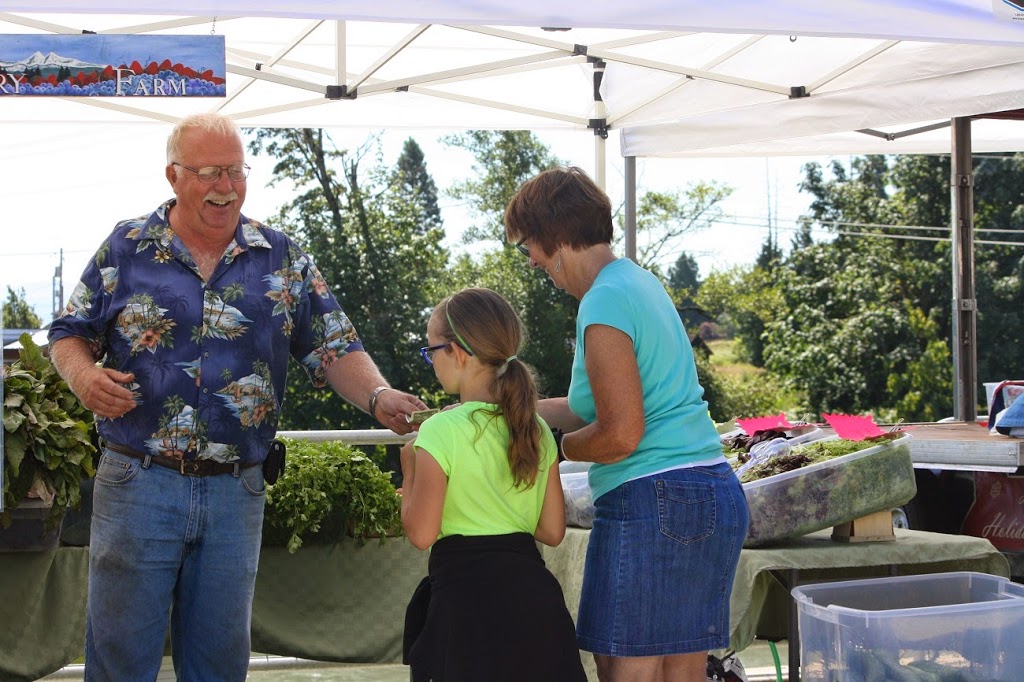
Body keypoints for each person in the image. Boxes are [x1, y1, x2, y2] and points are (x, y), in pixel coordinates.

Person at [47, 112, 426, 681]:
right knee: (120, 661)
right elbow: (68, 334)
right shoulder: (126, 247)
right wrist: (83, 378)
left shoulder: (283, 257)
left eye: (235, 171)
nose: (226, 187)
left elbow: (334, 347)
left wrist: (377, 396)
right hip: (137, 482)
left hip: (236, 491)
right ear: (174, 176)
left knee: (220, 666)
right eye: (209, 173)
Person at [504, 166, 750, 682]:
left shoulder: (605, 300)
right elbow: (594, 404)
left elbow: (619, 434)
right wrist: (503, 411)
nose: (530, 260)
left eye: (528, 244)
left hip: (655, 498)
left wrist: (552, 447)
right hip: (705, 489)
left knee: (625, 671)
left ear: (556, 236)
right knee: (680, 673)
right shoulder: (635, 282)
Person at [399, 287, 587, 682]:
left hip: (467, 614)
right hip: (537, 611)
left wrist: (410, 468)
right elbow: (551, 531)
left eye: (431, 350)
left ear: (459, 353)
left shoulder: (438, 431)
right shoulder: (535, 428)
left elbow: (420, 533)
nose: (430, 360)